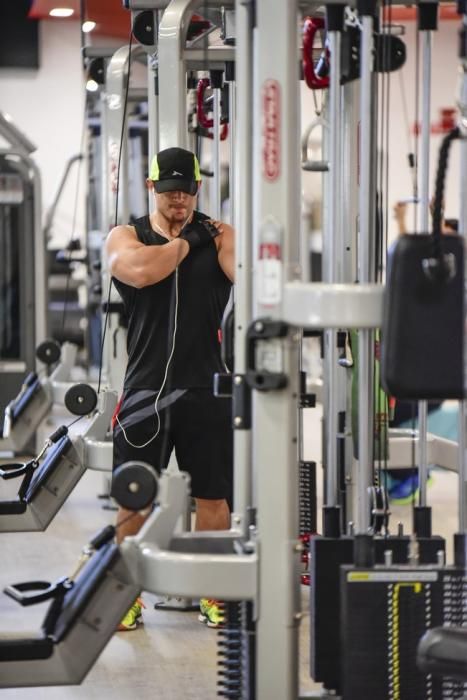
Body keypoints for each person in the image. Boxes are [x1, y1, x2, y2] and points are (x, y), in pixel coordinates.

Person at [106, 146, 235, 630]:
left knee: (214, 497)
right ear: (151, 187)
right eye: (168, 192)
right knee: (134, 493)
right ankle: (125, 596)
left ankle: (214, 592)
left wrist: (209, 238)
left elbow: (248, 274)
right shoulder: (126, 235)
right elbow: (141, 271)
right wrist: (189, 242)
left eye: (185, 192)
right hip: (145, 390)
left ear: (197, 189)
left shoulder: (222, 235)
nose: (177, 201)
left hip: (206, 387)